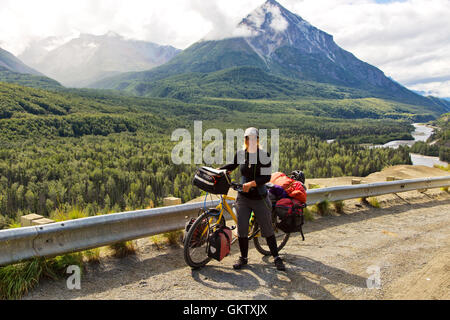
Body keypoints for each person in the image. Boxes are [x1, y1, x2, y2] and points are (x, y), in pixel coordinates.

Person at [220, 127, 286, 271]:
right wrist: (217, 171)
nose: (249, 141)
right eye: (247, 138)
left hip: (259, 198)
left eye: (252, 138)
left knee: (267, 229)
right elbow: (231, 166)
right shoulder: (241, 154)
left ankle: (276, 257)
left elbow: (266, 177)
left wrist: (252, 184)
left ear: (257, 139)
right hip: (243, 198)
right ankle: (243, 258)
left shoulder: (264, 155)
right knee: (242, 229)